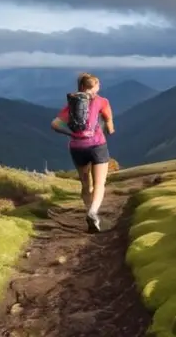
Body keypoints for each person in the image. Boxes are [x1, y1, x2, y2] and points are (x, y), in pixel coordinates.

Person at [50, 72, 115, 233]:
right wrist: (109, 130)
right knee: (100, 184)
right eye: (98, 85)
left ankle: (89, 212)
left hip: (77, 148)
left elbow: (55, 124)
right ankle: (93, 213)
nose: (100, 87)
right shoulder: (102, 101)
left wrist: (72, 133)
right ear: (93, 86)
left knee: (86, 184)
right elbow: (109, 123)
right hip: (97, 146)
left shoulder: (73, 104)